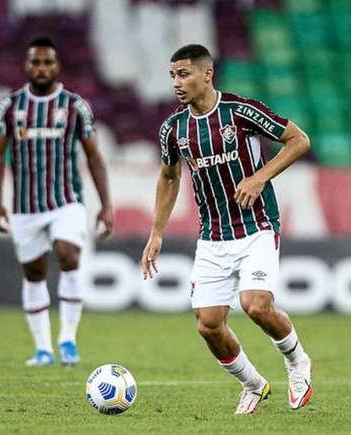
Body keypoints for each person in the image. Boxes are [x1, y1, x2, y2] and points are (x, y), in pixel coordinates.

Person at [141, 44, 313, 414]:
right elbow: (169, 178)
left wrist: (259, 177)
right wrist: (156, 233)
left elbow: (299, 140)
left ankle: (297, 361)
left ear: (207, 73)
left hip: (257, 227)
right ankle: (253, 385)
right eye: (172, 75)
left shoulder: (240, 111)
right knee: (208, 325)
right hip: (213, 237)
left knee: (255, 305)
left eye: (183, 73)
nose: (176, 82)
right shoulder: (173, 129)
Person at [0, 36, 113, 367]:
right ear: (26, 66)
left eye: (47, 62)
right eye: (35, 62)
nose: (41, 68)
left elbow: (94, 157)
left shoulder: (75, 106)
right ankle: (43, 348)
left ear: (57, 67)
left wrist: (106, 205)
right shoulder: (10, 107)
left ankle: (68, 340)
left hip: (66, 200)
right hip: (25, 206)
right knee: (34, 272)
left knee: (68, 254)